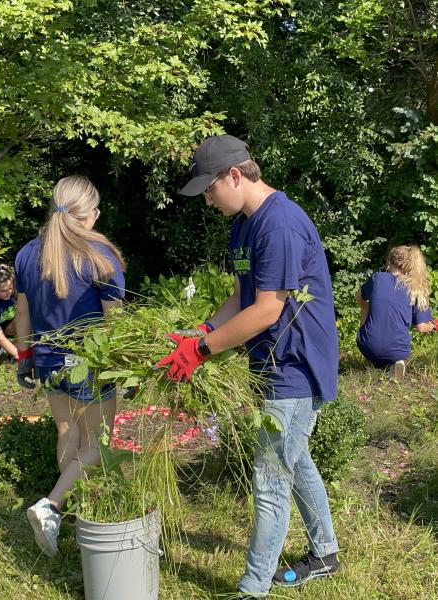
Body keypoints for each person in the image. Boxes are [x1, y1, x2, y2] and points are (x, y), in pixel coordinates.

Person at [155, 134, 340, 598]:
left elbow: (266, 311)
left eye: (210, 190)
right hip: (271, 361)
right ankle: (325, 553)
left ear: (234, 175)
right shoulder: (244, 223)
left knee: (271, 478)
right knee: (293, 463)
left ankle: (253, 588)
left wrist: (200, 353)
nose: (208, 200)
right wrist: (200, 331)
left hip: (295, 365)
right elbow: (241, 296)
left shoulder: (278, 225)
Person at [15, 175, 126, 557]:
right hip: (90, 361)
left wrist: (24, 356)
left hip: (47, 359)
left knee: (69, 432)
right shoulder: (99, 256)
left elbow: (24, 310)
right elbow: (115, 321)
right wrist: (126, 365)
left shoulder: (28, 253)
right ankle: (52, 506)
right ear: (90, 214)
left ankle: (73, 511)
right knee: (99, 442)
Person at [356, 245, 437, 381]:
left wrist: (366, 309)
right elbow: (422, 327)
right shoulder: (416, 288)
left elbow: (359, 296)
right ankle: (396, 363)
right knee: (396, 352)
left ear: (389, 261)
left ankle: (376, 358)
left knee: (368, 305)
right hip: (398, 351)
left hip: (366, 345)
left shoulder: (377, 278)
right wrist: (433, 326)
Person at [0, 265, 18, 360]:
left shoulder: (14, 293)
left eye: (10, 288)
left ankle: (11, 352)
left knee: (24, 315)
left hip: (10, 330)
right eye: (3, 291)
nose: (8, 293)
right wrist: (19, 355)